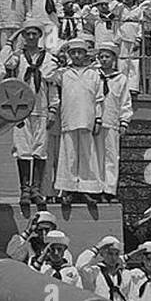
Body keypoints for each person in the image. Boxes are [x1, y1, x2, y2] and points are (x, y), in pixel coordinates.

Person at [6, 21, 57, 207]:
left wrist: (53, 109)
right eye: (27, 34)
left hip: (41, 109)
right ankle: (25, 189)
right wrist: (13, 38)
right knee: (22, 149)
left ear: (39, 36)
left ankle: (36, 188)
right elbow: (6, 63)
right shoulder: (18, 57)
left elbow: (51, 86)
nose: (31, 37)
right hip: (21, 110)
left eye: (34, 34)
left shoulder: (49, 59)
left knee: (40, 150)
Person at [52, 38, 103, 203]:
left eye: (79, 52)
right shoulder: (63, 73)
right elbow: (48, 75)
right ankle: (68, 189)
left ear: (85, 54)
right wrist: (60, 53)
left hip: (87, 118)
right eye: (73, 53)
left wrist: (98, 119)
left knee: (87, 154)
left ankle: (87, 189)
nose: (76, 55)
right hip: (69, 118)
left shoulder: (94, 74)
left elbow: (99, 98)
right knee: (69, 154)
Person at [95, 39, 133, 201]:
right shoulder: (93, 76)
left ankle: (109, 190)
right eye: (101, 57)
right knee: (95, 156)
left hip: (112, 122)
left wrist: (124, 121)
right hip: (95, 122)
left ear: (113, 59)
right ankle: (95, 189)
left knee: (111, 157)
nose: (104, 60)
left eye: (107, 57)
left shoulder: (121, 79)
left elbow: (125, 102)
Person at [113, 0, 143, 94]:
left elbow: (141, 25)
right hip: (122, 37)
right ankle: (122, 85)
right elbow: (113, 11)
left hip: (133, 37)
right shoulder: (120, 7)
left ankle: (133, 87)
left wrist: (138, 39)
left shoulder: (138, 10)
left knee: (134, 63)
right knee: (122, 62)